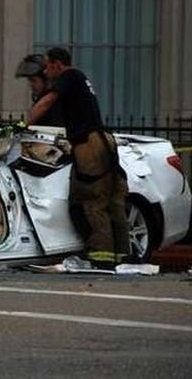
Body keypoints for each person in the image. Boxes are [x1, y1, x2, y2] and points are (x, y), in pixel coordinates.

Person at [29, 47, 130, 269]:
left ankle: (100, 255)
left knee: (91, 199)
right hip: (103, 141)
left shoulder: (69, 76)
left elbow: (47, 102)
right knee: (112, 199)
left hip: (89, 145)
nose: (45, 72)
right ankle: (123, 255)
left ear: (57, 64)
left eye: (47, 66)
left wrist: (24, 125)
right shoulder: (79, 80)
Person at [14, 53, 64, 127]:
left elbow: (32, 120)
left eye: (33, 80)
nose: (31, 85)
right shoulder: (42, 99)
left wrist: (20, 127)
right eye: (30, 81)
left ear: (46, 80)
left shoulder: (52, 103)